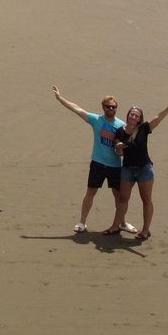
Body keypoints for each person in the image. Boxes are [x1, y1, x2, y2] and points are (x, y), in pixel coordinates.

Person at [51, 86, 132, 234]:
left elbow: (131, 140)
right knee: (90, 192)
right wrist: (60, 98)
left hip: (115, 166)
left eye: (114, 107)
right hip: (98, 164)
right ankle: (82, 222)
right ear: (103, 107)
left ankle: (122, 222)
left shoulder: (121, 125)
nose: (111, 109)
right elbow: (77, 109)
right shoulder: (96, 120)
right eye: (108, 106)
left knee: (119, 196)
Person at [107, 93, 168, 240]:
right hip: (127, 169)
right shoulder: (120, 131)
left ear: (140, 119)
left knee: (146, 200)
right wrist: (119, 147)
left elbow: (158, 118)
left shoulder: (144, 128)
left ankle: (145, 230)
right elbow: (118, 151)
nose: (133, 117)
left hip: (144, 169)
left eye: (136, 116)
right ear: (128, 116)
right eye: (132, 114)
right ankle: (116, 226)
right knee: (122, 198)